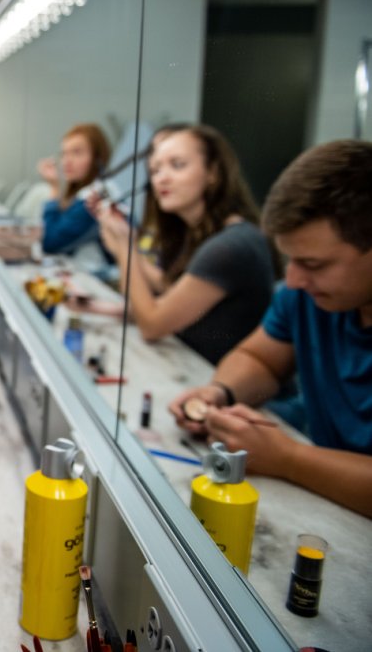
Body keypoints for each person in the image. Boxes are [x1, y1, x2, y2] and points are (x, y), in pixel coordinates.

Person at [167, 139, 372, 518]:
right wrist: (221, 394)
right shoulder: (307, 297)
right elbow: (260, 358)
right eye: (289, 260)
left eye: (313, 264)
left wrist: (288, 458)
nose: (293, 280)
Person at [94, 125, 278, 365]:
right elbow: (171, 292)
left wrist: (125, 248)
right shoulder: (199, 235)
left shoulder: (230, 246)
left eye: (177, 165)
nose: (161, 178)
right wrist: (103, 307)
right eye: (155, 170)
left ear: (212, 172)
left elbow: (152, 325)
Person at [38, 123, 113, 267]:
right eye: (64, 154)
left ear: (98, 158)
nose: (67, 161)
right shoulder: (83, 193)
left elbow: (50, 243)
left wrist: (54, 189)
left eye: (77, 152)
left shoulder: (95, 198)